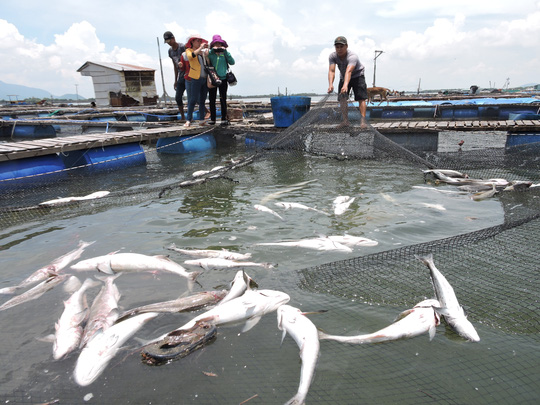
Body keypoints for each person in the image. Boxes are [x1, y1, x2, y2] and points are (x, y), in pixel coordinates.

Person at [327, 36, 367, 128]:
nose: (339, 49)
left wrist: (345, 85)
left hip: (357, 76)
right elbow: (331, 71)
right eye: (337, 47)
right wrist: (330, 85)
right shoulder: (333, 56)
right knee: (342, 98)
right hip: (343, 76)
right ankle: (345, 121)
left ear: (346, 46)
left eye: (342, 46)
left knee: (361, 98)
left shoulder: (352, 56)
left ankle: (363, 121)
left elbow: (349, 71)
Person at [207, 34, 235, 126]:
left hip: (223, 79)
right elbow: (206, 58)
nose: (218, 45)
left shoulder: (224, 53)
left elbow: (232, 62)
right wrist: (212, 50)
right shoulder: (211, 53)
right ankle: (213, 119)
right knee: (212, 99)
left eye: (219, 43)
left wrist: (225, 52)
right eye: (216, 44)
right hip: (213, 79)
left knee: (223, 98)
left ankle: (224, 118)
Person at [184, 34, 209, 127]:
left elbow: (208, 62)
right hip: (195, 78)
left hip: (204, 78)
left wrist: (206, 54)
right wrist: (201, 48)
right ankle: (188, 119)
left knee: (202, 100)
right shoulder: (189, 50)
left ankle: (201, 120)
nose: (199, 43)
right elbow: (191, 56)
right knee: (193, 99)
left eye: (200, 41)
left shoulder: (202, 52)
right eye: (197, 41)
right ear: (192, 42)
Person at [164, 31, 186, 120]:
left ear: (173, 38)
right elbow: (175, 66)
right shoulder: (170, 51)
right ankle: (183, 117)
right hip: (180, 76)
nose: (169, 43)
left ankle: (207, 112)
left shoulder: (182, 47)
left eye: (169, 41)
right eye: (167, 42)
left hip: (188, 75)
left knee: (194, 98)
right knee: (178, 98)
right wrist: (175, 80)